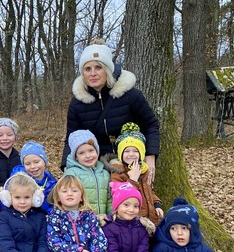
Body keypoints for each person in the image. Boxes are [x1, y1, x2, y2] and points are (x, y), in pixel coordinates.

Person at [62, 39, 160, 185]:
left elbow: (150, 125)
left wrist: (150, 157)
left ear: (108, 69)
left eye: (98, 68)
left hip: (131, 162)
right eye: (88, 69)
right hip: (97, 166)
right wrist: (66, 167)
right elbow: (72, 138)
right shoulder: (78, 103)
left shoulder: (131, 95)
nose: (93, 74)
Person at [102, 122, 164, 225]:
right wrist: (133, 180)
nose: (131, 154)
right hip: (133, 219)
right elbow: (118, 194)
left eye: (135, 151)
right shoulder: (117, 171)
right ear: (121, 154)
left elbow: (148, 190)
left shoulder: (143, 169)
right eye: (126, 151)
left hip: (150, 217)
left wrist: (156, 204)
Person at [63, 130, 112, 221]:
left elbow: (109, 200)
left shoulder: (104, 173)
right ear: (75, 156)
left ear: (97, 151)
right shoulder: (72, 174)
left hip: (103, 220)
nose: (88, 156)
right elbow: (69, 200)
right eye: (81, 153)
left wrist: (111, 216)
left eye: (91, 150)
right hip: (82, 222)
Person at [9, 141, 57, 213]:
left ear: (44, 161)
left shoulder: (52, 183)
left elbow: (54, 204)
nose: (33, 166)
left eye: (36, 162)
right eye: (28, 164)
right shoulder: (19, 181)